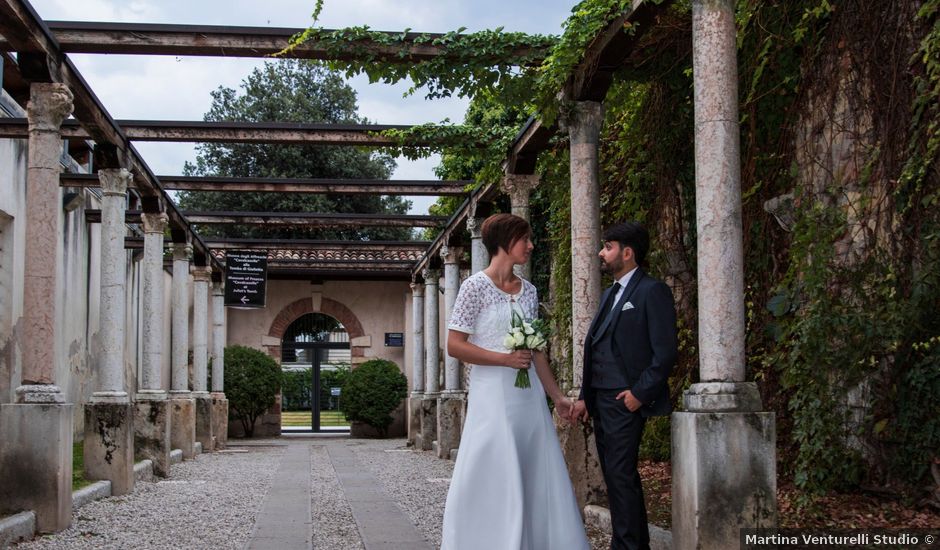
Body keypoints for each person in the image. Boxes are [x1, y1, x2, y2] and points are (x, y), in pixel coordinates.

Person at [441, 213, 589, 550]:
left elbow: (537, 353)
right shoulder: (474, 287)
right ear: (506, 242)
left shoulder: (529, 291)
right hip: (491, 394)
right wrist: (504, 359)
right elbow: (454, 345)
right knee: (491, 464)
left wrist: (558, 398)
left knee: (533, 467)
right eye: (525, 239)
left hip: (529, 399)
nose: (530, 245)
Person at [570, 221, 678, 550]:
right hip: (601, 400)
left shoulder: (652, 291)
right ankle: (629, 544)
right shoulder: (609, 294)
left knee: (621, 474)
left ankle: (628, 546)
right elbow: (597, 347)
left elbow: (665, 352)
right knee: (615, 476)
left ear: (627, 253)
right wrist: (587, 397)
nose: (602, 253)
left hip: (625, 399)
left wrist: (639, 394)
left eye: (608, 247)